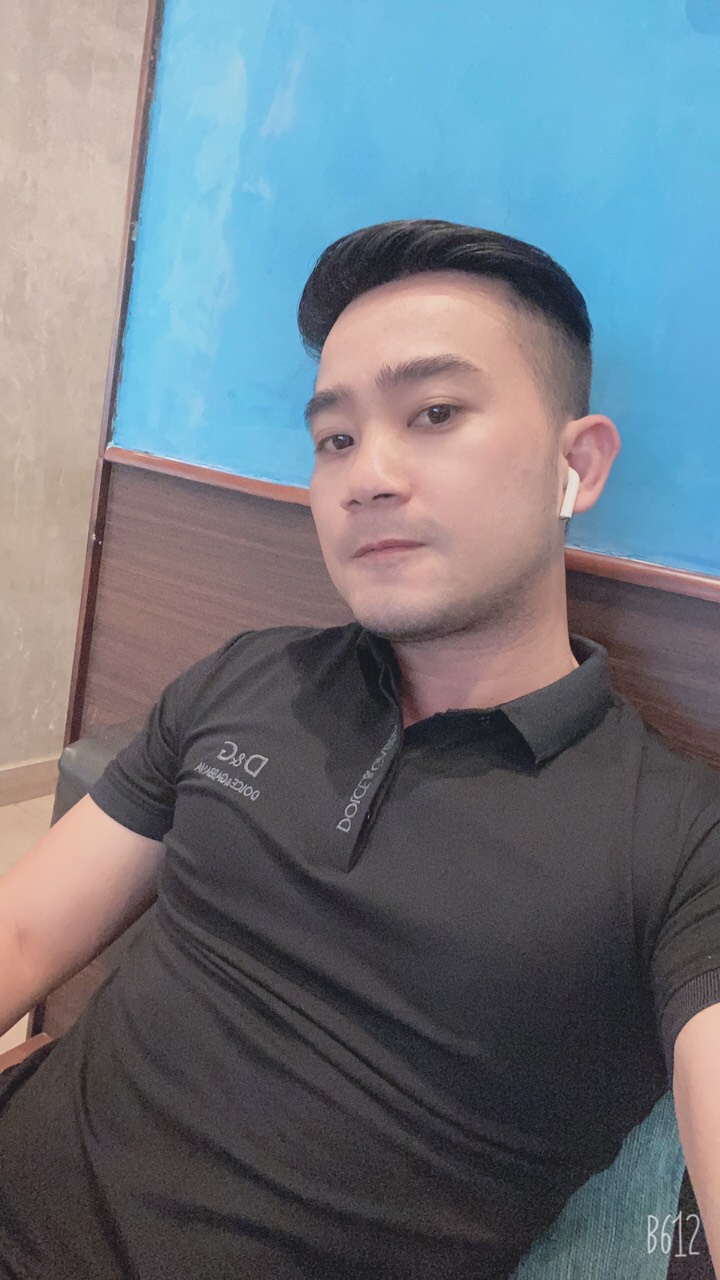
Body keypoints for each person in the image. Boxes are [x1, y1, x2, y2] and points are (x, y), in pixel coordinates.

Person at [1, 219, 719, 1280]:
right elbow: (21, 931)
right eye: (334, 438)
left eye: (435, 413)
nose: (365, 475)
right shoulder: (247, 678)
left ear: (577, 464)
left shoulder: (676, 838)